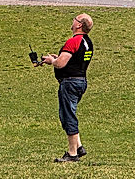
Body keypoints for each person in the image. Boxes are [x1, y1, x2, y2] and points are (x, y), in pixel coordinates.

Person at [40, 13, 94, 163]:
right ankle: (79, 147)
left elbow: (60, 64)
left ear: (79, 25)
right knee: (70, 112)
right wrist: (57, 57)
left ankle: (72, 153)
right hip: (80, 81)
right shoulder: (87, 42)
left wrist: (52, 61)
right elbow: (74, 60)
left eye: (75, 19)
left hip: (70, 82)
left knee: (68, 115)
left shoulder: (73, 41)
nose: (73, 20)